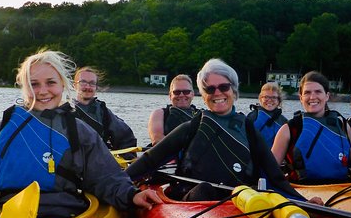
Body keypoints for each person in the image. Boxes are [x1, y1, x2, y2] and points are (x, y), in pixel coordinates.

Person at [0, 50, 162, 218]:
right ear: (25, 87)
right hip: (7, 212)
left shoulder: (79, 130)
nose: (43, 91)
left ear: (63, 85)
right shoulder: (6, 126)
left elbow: (106, 177)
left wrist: (131, 195)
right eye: (34, 84)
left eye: (50, 83)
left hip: (59, 214)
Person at [126, 58, 318, 203]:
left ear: (234, 91)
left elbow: (275, 177)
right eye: (210, 89)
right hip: (192, 202)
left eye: (224, 86)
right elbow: (150, 160)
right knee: (203, 190)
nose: (217, 93)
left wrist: (304, 203)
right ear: (203, 96)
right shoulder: (192, 127)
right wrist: (122, 186)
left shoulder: (248, 129)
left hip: (239, 203)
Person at [271, 71, 351, 183]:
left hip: (340, 188)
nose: (312, 97)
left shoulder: (342, 126)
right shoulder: (289, 129)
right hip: (303, 191)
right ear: (301, 97)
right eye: (307, 92)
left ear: (326, 96)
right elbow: (271, 167)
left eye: (318, 91)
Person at [73, 67, 138, 154]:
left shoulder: (103, 111)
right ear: (74, 85)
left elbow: (125, 136)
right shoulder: (64, 110)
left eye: (92, 83)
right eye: (83, 82)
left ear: (96, 87)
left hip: (97, 160)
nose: (88, 87)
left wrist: (127, 157)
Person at [147, 74, 199, 146]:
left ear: (192, 94)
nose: (181, 95)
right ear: (170, 95)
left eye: (186, 91)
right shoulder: (160, 114)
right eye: (176, 92)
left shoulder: (202, 115)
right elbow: (157, 139)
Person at [246, 82, 289, 149]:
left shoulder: (284, 122)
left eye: (274, 97)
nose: (269, 100)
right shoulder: (253, 117)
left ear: (279, 100)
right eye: (266, 97)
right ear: (260, 99)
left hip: (273, 157)